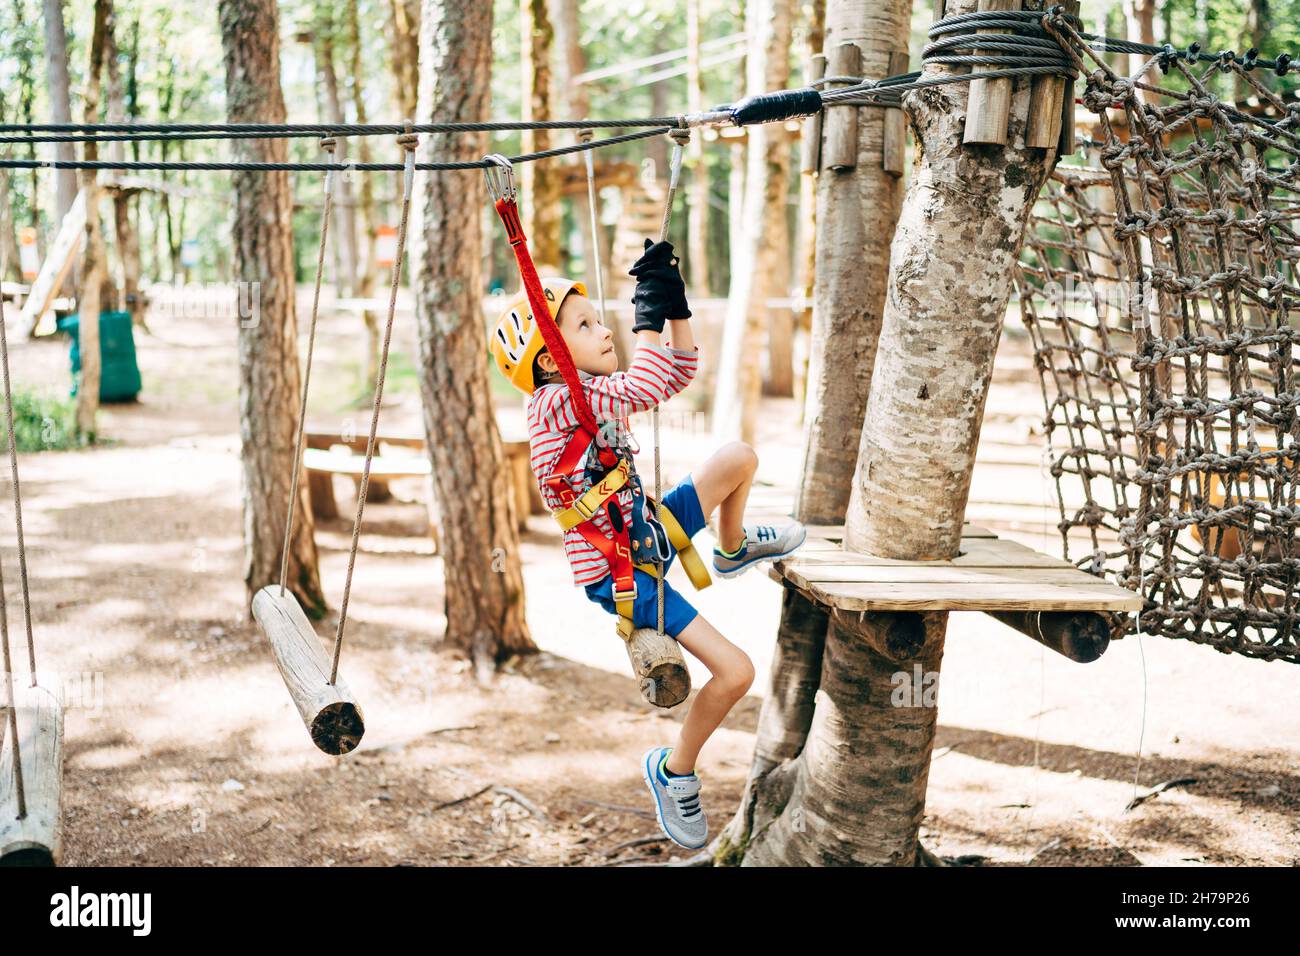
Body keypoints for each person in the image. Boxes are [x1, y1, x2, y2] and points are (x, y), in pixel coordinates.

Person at [489, 238, 806, 850]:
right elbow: (653, 380)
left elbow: (679, 370)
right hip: (620, 573)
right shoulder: (559, 400)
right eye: (584, 325)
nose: (604, 329)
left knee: (740, 456)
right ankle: (675, 768)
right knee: (737, 672)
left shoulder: (589, 392)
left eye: (599, 318)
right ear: (552, 359)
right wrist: (648, 302)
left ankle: (732, 547)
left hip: (646, 531)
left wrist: (672, 301)